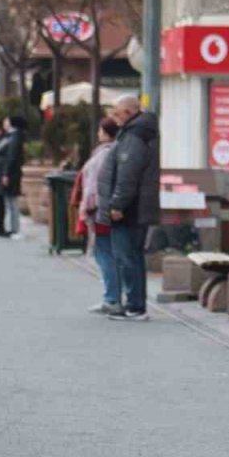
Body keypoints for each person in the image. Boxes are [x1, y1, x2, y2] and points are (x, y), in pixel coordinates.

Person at [98, 96, 160, 322]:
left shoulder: (134, 136)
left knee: (127, 258)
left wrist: (117, 204)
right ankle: (136, 305)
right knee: (133, 256)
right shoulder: (138, 132)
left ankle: (135, 306)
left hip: (130, 207)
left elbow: (127, 175)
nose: (114, 118)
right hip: (136, 205)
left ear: (129, 112)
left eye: (117, 113)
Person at [77, 117, 121, 315]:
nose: (97, 133)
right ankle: (113, 296)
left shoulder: (104, 154)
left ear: (105, 132)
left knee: (105, 254)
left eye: (100, 130)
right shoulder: (116, 150)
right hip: (108, 207)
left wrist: (87, 206)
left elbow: (95, 184)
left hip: (100, 209)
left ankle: (111, 297)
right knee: (109, 253)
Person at [0, 115, 26, 240]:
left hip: (12, 174)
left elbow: (11, 157)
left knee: (12, 201)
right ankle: (13, 228)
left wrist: (6, 173)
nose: (5, 123)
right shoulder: (11, 136)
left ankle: (15, 229)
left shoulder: (15, 137)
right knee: (10, 201)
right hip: (11, 172)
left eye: (7, 121)